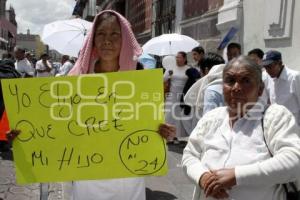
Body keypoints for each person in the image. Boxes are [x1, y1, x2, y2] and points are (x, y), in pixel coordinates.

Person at [67, 10, 175, 200]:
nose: (107, 40)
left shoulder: (140, 80)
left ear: (125, 38)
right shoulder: (76, 79)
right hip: (87, 173)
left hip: (127, 175)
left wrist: (161, 132)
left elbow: (148, 124)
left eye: (114, 34)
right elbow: (57, 125)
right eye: (101, 33)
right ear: (93, 39)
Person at [182, 56, 300, 200]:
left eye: (246, 81)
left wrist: (236, 176)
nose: (237, 88)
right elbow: (189, 155)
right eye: (230, 81)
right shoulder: (211, 118)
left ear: (260, 89)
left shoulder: (274, 116)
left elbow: (294, 161)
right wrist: (203, 177)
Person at [262, 50, 300, 125]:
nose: (267, 71)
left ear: (279, 63)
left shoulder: (295, 77)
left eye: (269, 67)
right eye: (265, 67)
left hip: (295, 128)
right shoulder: (267, 78)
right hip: (276, 127)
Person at [164, 51, 190, 140]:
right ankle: (168, 135)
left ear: (184, 59)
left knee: (179, 116)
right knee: (169, 115)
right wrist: (169, 75)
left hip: (183, 96)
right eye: (176, 57)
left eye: (179, 57)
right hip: (172, 95)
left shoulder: (189, 69)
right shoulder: (171, 69)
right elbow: (163, 79)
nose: (177, 59)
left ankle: (177, 136)